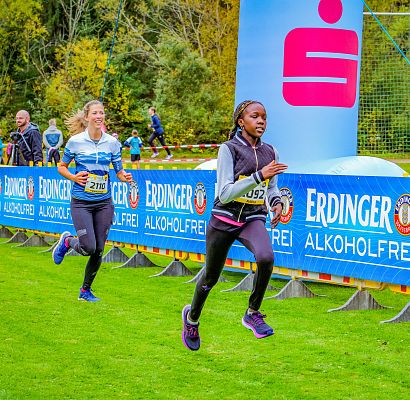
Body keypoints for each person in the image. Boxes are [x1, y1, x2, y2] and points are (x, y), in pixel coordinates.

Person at [181, 100, 288, 351]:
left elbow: (270, 189)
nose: (261, 121)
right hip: (224, 219)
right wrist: (259, 175)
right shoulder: (228, 149)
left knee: (266, 257)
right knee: (211, 277)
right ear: (241, 121)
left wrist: (276, 202)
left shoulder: (271, 151)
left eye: (264, 117)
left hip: (252, 218)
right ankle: (192, 318)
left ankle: (253, 312)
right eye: (255, 116)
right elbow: (226, 193)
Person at [52, 100, 132, 302]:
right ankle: (68, 241)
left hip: (104, 202)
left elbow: (118, 170)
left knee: (99, 249)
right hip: (81, 202)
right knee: (88, 247)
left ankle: (85, 291)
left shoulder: (112, 143)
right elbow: (61, 166)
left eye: (102, 113)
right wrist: (74, 177)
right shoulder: (75, 141)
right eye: (95, 113)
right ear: (87, 117)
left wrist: (124, 177)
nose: (99, 116)